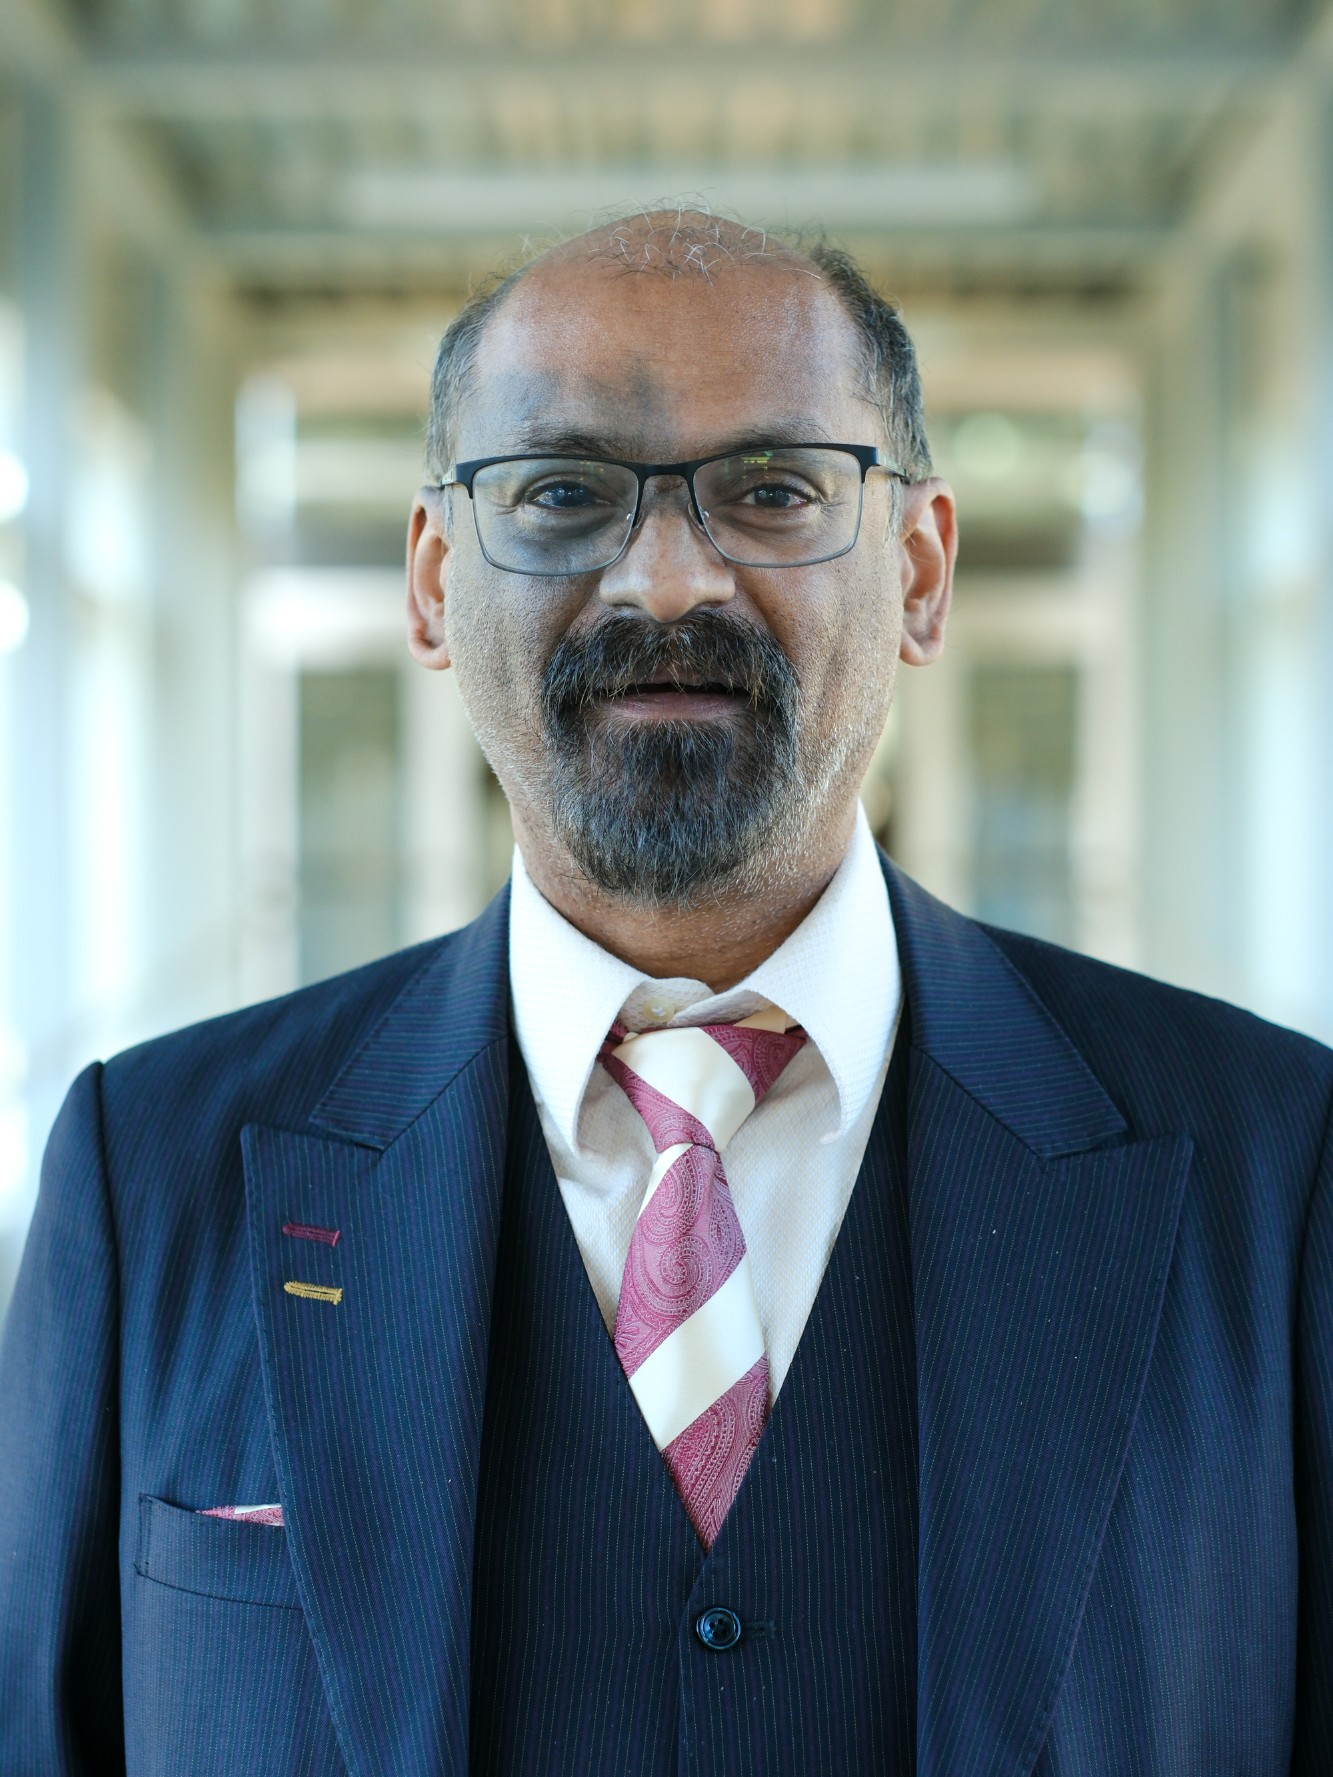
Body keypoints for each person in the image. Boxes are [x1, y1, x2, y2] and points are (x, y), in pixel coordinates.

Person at [1, 209, 1330, 1777]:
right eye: (563, 493)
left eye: (773, 490)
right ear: (432, 583)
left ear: (919, 573)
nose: (670, 577)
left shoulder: (1273, 1166)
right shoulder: (150, 1172)